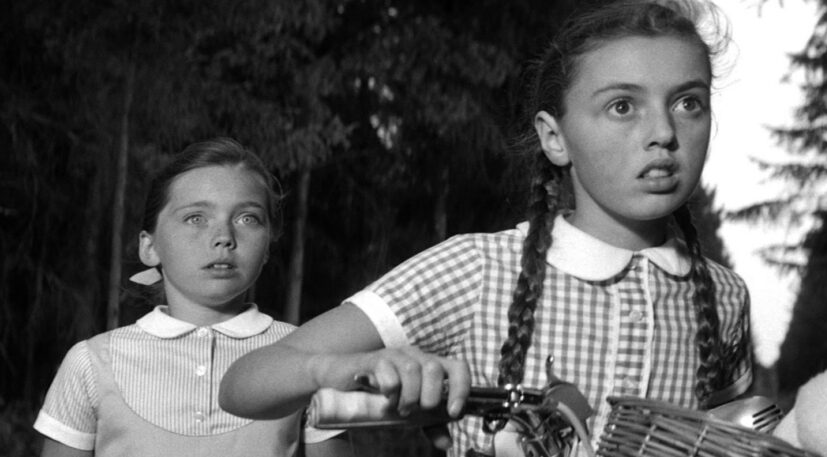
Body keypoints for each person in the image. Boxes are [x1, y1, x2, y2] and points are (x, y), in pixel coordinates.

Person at [220, 0, 753, 455]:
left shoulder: (725, 297)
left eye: (689, 103)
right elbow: (243, 383)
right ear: (554, 138)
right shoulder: (478, 269)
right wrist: (335, 370)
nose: (663, 132)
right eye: (622, 106)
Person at [33, 138, 342, 456]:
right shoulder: (89, 364)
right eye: (196, 218)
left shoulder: (312, 359)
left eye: (247, 218)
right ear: (149, 247)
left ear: (267, 247)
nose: (224, 237)